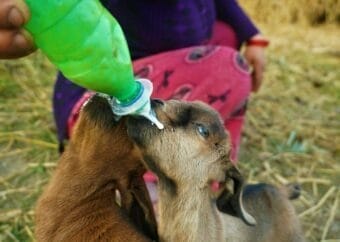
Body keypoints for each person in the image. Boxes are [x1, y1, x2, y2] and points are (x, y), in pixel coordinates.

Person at [0, 0, 268, 204]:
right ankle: (148, 190)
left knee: (226, 34)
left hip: (148, 76)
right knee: (230, 68)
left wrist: (253, 35)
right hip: (101, 99)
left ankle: (202, 169)